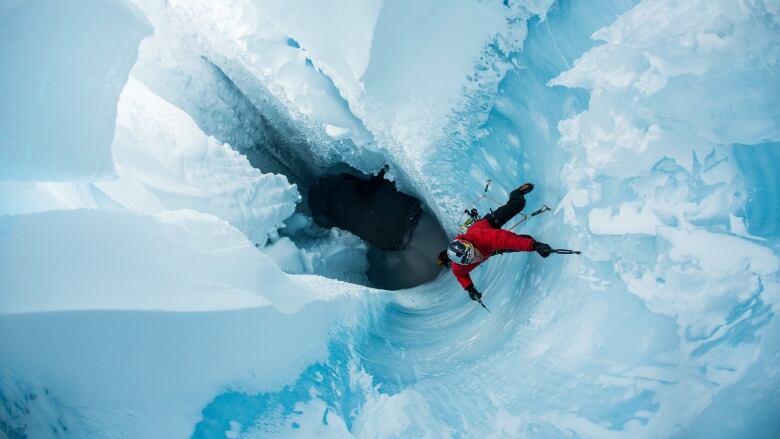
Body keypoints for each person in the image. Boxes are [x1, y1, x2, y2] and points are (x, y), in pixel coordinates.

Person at [437, 183, 552, 302]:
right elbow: (460, 275)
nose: (477, 258)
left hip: (489, 224)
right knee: (526, 238)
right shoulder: (459, 265)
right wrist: (470, 288)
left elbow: (508, 240)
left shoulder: (483, 238)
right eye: (471, 260)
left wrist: (535, 246)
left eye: (474, 253)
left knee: (518, 204)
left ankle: (518, 192)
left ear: (471, 245)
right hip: (490, 249)